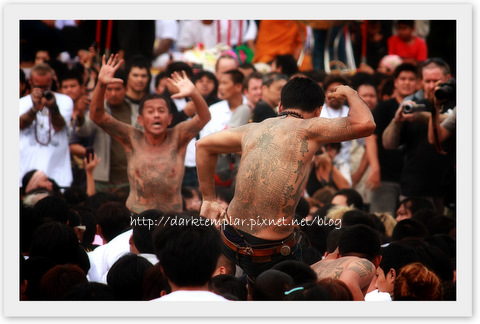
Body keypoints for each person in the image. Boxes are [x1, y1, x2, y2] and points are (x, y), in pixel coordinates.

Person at [196, 76, 375, 278]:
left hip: (229, 237)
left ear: (281, 106)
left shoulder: (253, 129)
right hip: (268, 250)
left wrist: (208, 199)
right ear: (318, 112)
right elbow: (366, 124)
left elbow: (202, 145)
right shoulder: (312, 127)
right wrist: (351, 93)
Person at [89, 54, 210, 214]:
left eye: (161, 111)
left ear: (170, 118)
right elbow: (98, 117)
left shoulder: (178, 136)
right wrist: (101, 84)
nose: (156, 115)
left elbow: (204, 117)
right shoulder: (132, 137)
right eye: (150, 111)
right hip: (138, 216)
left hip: (171, 218)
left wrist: (194, 93)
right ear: (140, 119)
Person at [382, 58, 455, 214]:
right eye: (427, 81)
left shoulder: (456, 105)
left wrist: (424, 117)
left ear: (448, 79)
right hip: (415, 189)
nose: (431, 86)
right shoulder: (414, 105)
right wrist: (396, 121)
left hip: (449, 190)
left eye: (436, 81)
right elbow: (388, 144)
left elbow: (453, 121)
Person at [365, 63, 418, 215]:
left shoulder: (421, 107)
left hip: (412, 180)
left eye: (411, 79)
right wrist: (375, 168)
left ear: (417, 82)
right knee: (382, 221)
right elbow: (371, 139)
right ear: (395, 82)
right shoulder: (384, 107)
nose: (407, 82)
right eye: (403, 78)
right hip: (385, 177)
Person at [74, 68, 135, 193]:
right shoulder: (98, 111)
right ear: (104, 90)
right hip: (102, 178)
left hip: (129, 179)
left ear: (126, 88)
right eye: (109, 89)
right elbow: (83, 131)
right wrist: (80, 114)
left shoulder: (136, 111)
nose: (113, 93)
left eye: (117, 89)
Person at [19, 63, 74, 189]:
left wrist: (53, 107)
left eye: (46, 87)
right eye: (38, 87)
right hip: (25, 177)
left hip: (58, 179)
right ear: (30, 82)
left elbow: (59, 126)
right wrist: (34, 108)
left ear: (52, 82)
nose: (43, 91)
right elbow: (20, 125)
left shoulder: (65, 101)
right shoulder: (20, 103)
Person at [310, 224, 382, 301]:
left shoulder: (319, 266)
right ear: (378, 260)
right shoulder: (365, 264)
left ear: (338, 254)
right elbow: (348, 283)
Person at [319, 75, 355, 186]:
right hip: (318, 165)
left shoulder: (353, 114)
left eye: (341, 91)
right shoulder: (317, 112)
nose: (336, 95)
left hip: (343, 167)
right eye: (332, 90)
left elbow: (366, 144)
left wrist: (358, 174)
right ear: (325, 92)